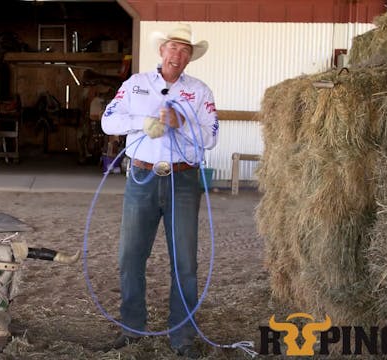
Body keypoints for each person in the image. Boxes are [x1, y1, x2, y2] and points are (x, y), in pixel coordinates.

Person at [101, 23, 219, 357]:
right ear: (161, 50)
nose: (178, 55)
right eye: (173, 48)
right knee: (130, 256)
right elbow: (108, 121)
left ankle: (181, 337)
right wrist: (143, 123)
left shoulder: (200, 92)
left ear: (190, 57)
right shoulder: (136, 85)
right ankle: (131, 328)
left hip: (183, 181)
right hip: (141, 177)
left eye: (185, 50)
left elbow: (210, 137)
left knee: (185, 262)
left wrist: (182, 124)